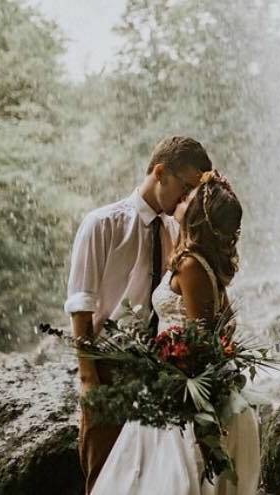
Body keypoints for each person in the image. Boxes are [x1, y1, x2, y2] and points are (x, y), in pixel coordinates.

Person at [91, 170, 260, 495]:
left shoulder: (193, 265)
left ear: (200, 214)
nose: (183, 197)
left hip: (180, 390)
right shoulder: (192, 260)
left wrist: (169, 369)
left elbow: (201, 340)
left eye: (189, 197)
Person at [65, 136, 212, 494]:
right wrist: (89, 380)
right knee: (104, 477)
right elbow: (81, 306)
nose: (187, 198)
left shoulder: (178, 231)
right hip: (110, 369)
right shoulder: (102, 223)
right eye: (186, 187)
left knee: (148, 480)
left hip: (161, 375)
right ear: (160, 172)